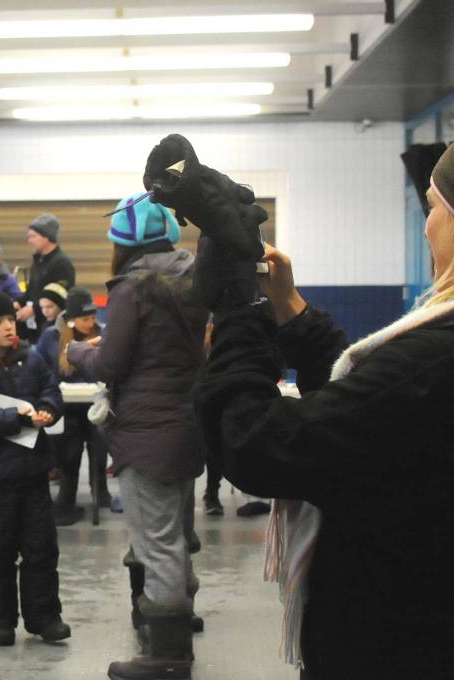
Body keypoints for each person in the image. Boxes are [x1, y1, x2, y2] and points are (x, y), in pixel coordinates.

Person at [159, 139, 454, 674]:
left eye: (433, 208)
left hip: (400, 639)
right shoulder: (429, 357)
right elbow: (365, 416)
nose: (428, 226)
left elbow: (263, 445)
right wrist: (288, 308)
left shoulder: (436, 358)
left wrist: (239, 311)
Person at [67, 191, 205, 680]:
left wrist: (78, 352)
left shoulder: (134, 288)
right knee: (178, 533)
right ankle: (179, 622)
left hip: (147, 432)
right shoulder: (193, 278)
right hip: (187, 424)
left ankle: (168, 656)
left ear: (122, 241)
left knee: (157, 542)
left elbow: (110, 363)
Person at [0, 288, 71, 647]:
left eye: (10, 319)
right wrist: (14, 418)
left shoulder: (31, 356)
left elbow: (52, 391)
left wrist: (48, 409)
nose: (9, 327)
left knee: (42, 548)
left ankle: (45, 617)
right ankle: (0, 621)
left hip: (34, 471)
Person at [36, 287, 110, 525]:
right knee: (70, 447)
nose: (90, 323)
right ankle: (66, 498)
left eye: (92, 318)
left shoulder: (103, 334)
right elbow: (44, 371)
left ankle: (101, 490)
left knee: (98, 444)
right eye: (84, 319)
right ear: (71, 320)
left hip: (96, 405)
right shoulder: (52, 337)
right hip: (66, 407)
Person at [18, 214, 76, 341]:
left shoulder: (61, 263)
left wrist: (34, 309)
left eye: (33, 236)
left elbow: (60, 297)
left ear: (47, 237)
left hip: (52, 331)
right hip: (35, 328)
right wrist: (18, 302)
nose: (29, 241)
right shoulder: (38, 261)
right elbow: (32, 291)